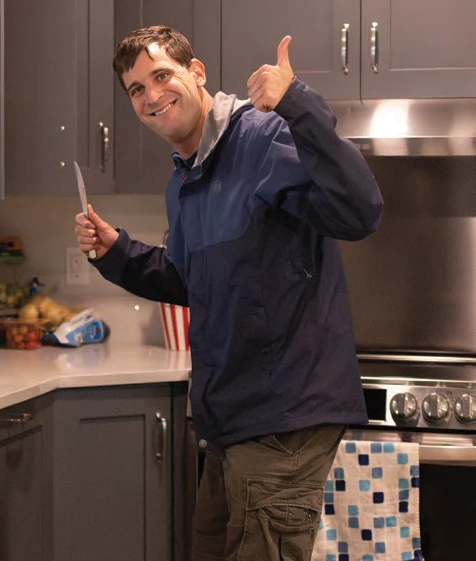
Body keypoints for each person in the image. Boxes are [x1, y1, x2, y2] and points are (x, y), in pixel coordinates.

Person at [75, 25, 383, 561]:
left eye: (161, 76)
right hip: (230, 421)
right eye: (136, 90)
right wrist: (116, 252)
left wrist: (296, 103)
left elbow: (361, 212)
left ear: (196, 74)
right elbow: (198, 282)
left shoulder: (264, 137)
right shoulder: (185, 178)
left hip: (283, 416)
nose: (151, 97)